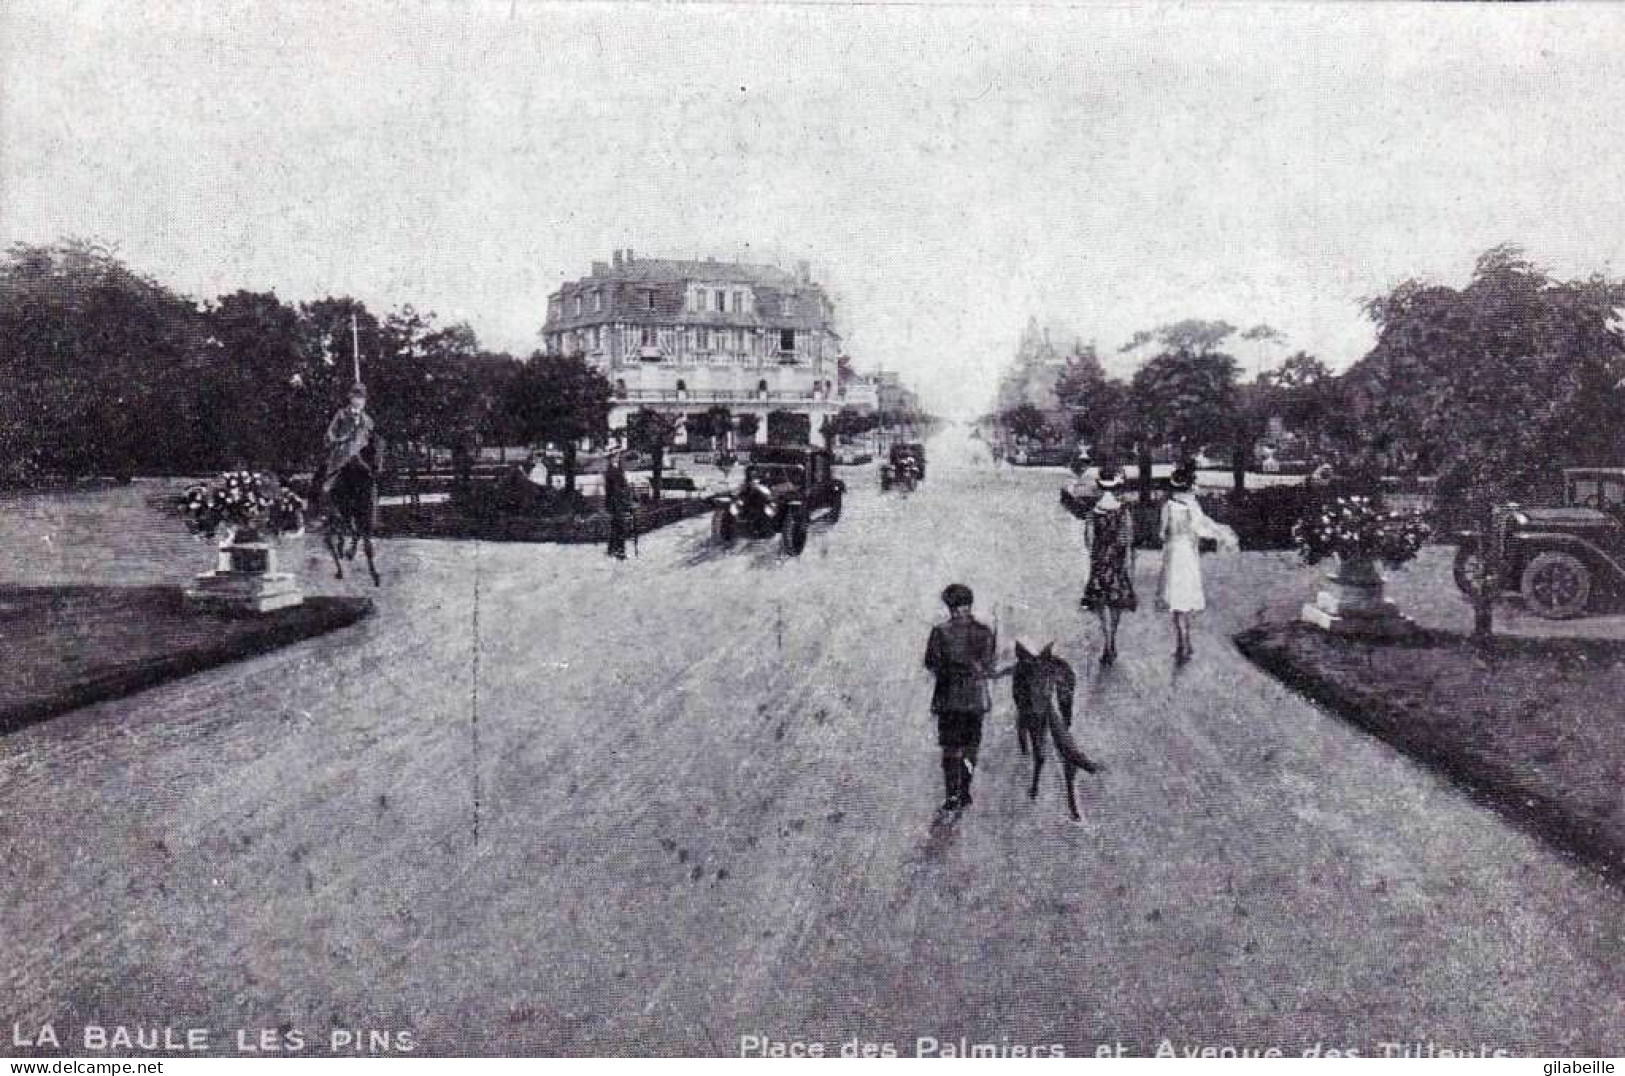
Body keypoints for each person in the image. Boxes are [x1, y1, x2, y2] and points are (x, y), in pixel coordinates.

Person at [923, 583, 999, 815]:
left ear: (949, 606)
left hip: (948, 698)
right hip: (975, 698)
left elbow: (931, 663)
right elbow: (988, 663)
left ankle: (952, 794)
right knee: (970, 747)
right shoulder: (984, 631)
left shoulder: (940, 632)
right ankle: (965, 790)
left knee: (950, 748)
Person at [1158, 464, 1240, 661]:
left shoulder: (1168, 506)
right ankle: (1185, 643)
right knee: (1185, 597)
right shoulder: (1193, 506)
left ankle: (1183, 644)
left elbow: (1161, 534)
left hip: (1173, 553)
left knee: (1176, 600)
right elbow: (1201, 528)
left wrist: (1171, 534)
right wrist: (1219, 534)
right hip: (1188, 553)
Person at [1079, 466, 1136, 665]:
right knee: (1116, 600)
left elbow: (1089, 540)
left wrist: (1097, 551)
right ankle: (1113, 638)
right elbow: (1127, 539)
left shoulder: (1093, 512)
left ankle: (1108, 640)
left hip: (1100, 560)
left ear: (1099, 487)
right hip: (1118, 560)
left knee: (1101, 601)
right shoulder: (1123, 511)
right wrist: (1127, 561)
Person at [322, 383, 375, 496]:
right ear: (351, 398)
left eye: (362, 398)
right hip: (342, 455)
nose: (360, 401)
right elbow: (329, 434)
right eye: (357, 397)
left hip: (360, 457)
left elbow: (371, 440)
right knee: (328, 487)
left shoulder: (368, 420)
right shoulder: (341, 414)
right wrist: (340, 440)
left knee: (371, 484)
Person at [603, 447, 633, 560]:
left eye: (618, 455)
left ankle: (611, 549)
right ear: (611, 458)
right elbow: (617, 489)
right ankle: (620, 551)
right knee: (620, 526)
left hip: (615, 503)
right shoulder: (612, 470)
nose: (618, 456)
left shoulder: (615, 469)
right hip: (617, 503)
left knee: (615, 526)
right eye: (616, 455)